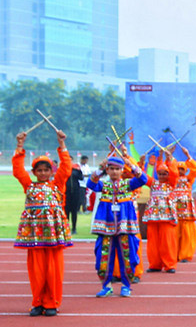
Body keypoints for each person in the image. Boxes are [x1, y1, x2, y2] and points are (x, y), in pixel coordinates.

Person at [13, 129, 74, 316]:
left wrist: (62, 144)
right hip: (34, 234)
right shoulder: (28, 185)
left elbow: (66, 167)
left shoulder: (57, 185)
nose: (42, 173)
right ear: (34, 172)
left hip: (54, 235)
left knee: (53, 270)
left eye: (46, 170)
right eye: (39, 170)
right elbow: (17, 170)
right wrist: (20, 145)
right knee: (36, 270)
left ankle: (52, 303)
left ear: (51, 171)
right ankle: (37, 302)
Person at [87, 152, 151, 297]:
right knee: (103, 256)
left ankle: (126, 285)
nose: (114, 172)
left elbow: (143, 179)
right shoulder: (103, 185)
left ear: (122, 170)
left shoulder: (128, 184)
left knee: (127, 256)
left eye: (117, 169)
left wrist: (132, 166)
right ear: (107, 170)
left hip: (125, 227)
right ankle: (106, 285)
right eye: (111, 169)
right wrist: (99, 169)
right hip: (105, 227)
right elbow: (90, 184)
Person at [142, 152, 180, 274]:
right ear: (157, 174)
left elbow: (175, 174)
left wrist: (170, 160)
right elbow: (141, 176)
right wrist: (141, 163)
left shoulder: (171, 184)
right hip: (152, 216)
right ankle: (155, 264)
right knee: (153, 242)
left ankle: (170, 264)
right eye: (160, 174)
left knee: (168, 241)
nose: (162, 176)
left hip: (167, 217)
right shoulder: (153, 183)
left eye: (165, 174)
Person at [64, 157, 84, 235]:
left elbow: (81, 178)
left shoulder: (76, 170)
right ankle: (66, 227)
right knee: (66, 211)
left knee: (74, 211)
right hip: (66, 192)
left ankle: (74, 228)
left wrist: (79, 171)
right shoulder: (63, 170)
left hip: (75, 192)